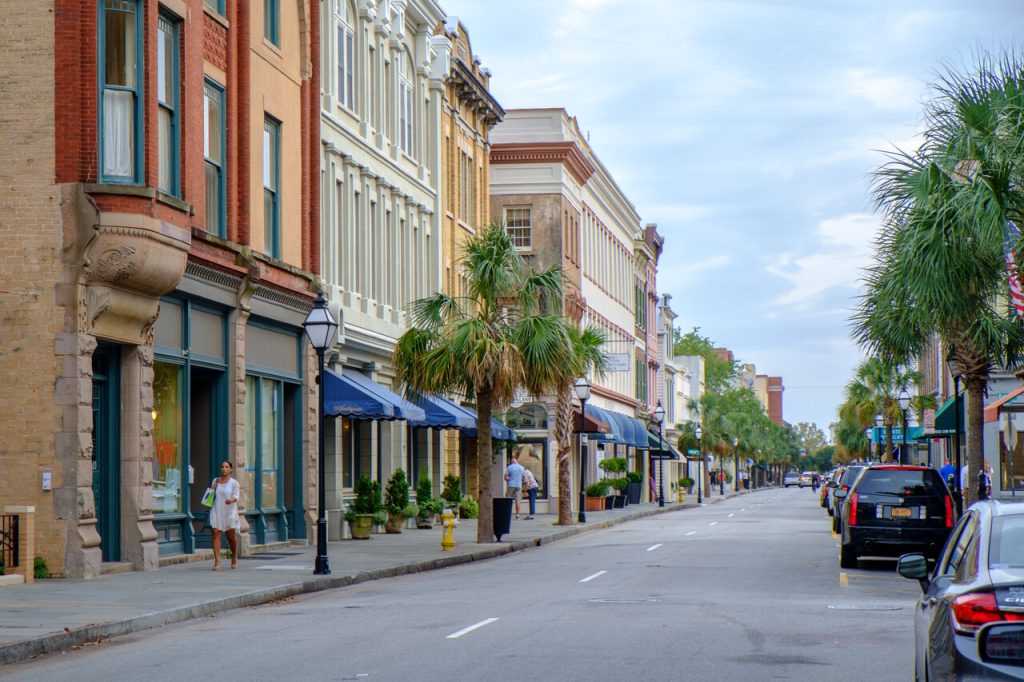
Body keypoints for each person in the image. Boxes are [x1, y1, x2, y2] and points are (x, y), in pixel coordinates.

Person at [208, 460, 240, 570]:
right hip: (216, 509)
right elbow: (209, 497)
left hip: (229, 511)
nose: (224, 469)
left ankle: (234, 556)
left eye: (226, 467)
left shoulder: (234, 483)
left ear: (231, 469)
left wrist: (231, 499)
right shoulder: (215, 480)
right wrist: (212, 488)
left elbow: (236, 496)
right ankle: (217, 561)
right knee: (216, 534)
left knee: (230, 537)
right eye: (222, 467)